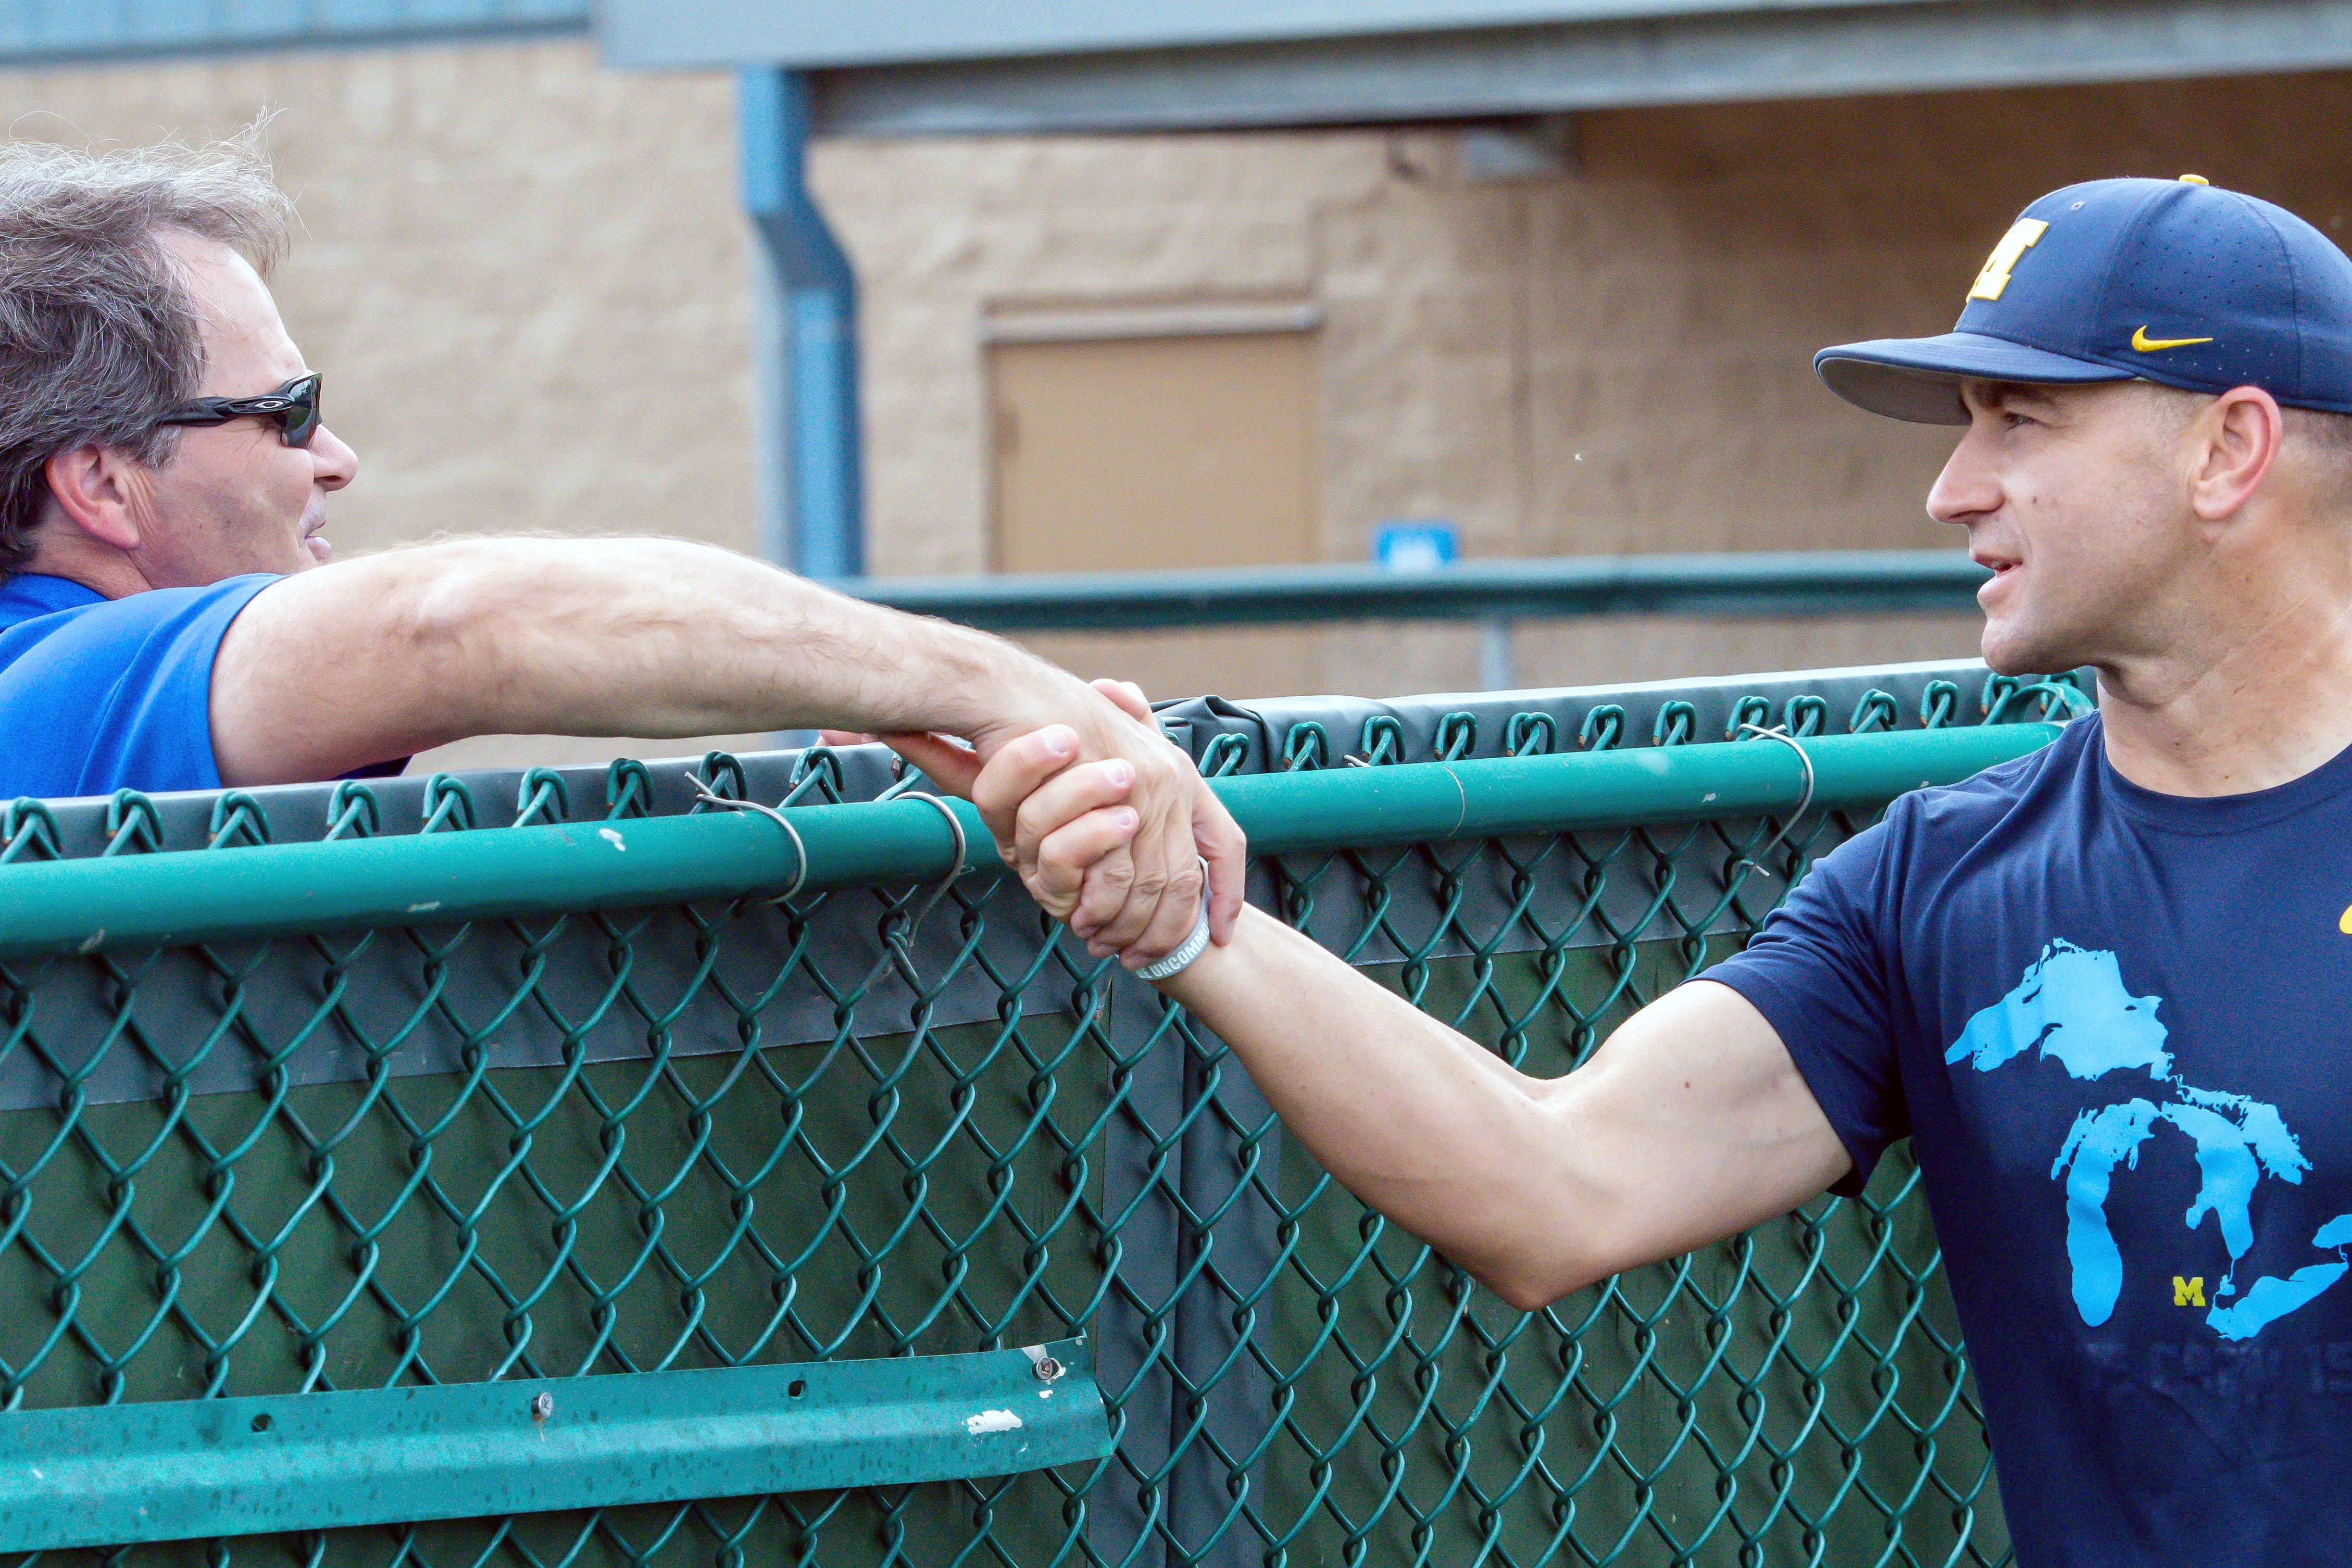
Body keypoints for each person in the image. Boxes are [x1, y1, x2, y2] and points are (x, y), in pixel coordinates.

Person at [954, 176, 2352, 1564]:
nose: (1949, 488)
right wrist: (1195, 915)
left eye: (2020, 419)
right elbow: (1556, 1181)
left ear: (2226, 450)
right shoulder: (1942, 879)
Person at [0, 131, 1239, 964]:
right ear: (102, 484)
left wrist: (913, 750)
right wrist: (1008, 689)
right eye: (287, 413)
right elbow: (457, 625)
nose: (334, 459)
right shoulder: (46, 684)